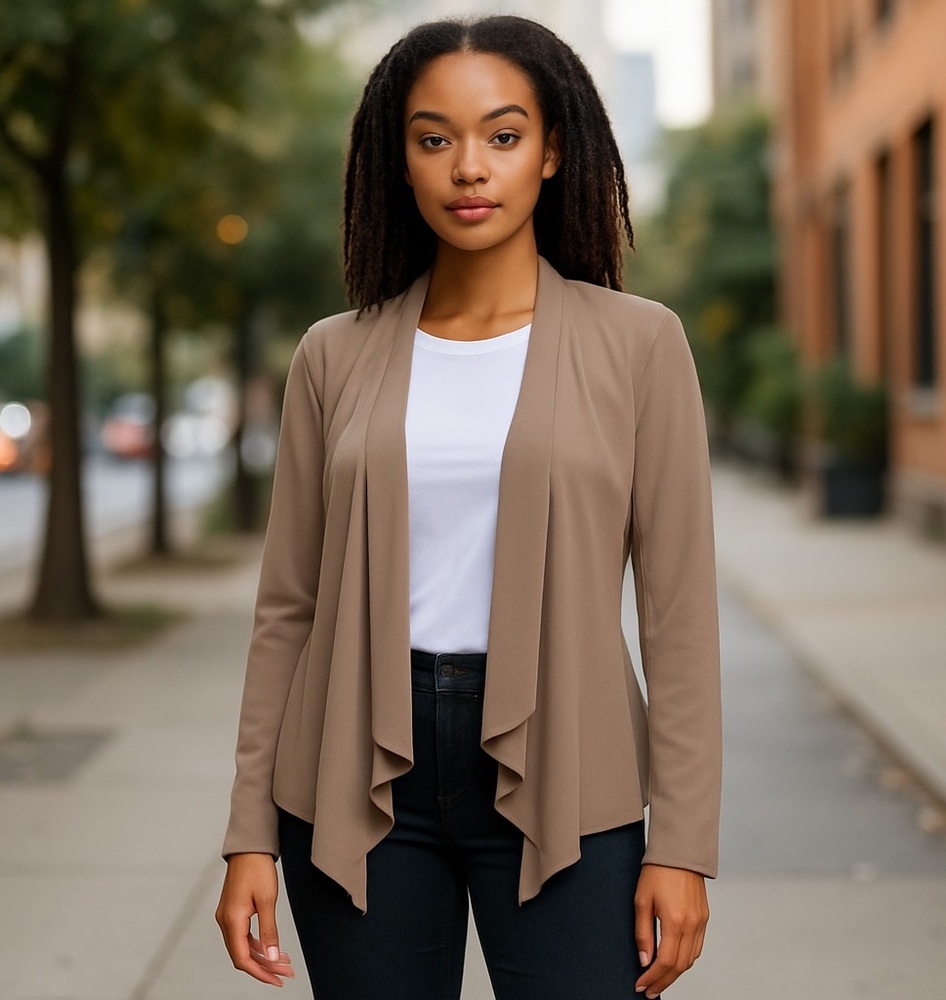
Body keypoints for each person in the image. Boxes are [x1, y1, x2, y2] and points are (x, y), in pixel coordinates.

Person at [215, 14, 722, 1000]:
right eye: (433, 138)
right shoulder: (334, 353)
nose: (467, 168)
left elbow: (678, 618)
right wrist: (247, 835)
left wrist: (684, 845)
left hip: (572, 765)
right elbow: (288, 609)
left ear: (551, 152)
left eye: (501, 134)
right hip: (352, 771)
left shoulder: (638, 345)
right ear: (398, 162)